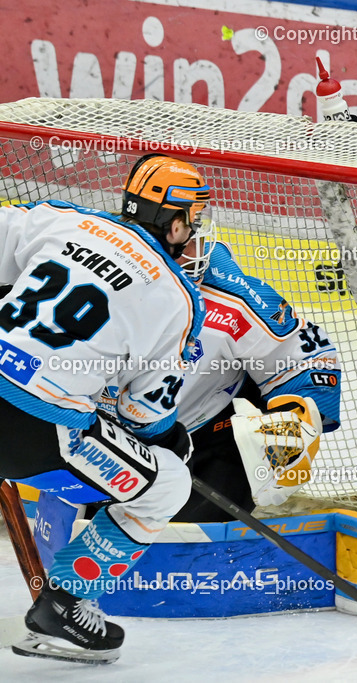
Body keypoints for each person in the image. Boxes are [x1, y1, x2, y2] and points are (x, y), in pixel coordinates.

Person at [0, 154, 206, 662]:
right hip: (35, 428)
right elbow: (143, 413)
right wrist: (167, 439)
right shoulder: (178, 299)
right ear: (176, 223)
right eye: (193, 220)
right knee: (167, 485)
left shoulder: (61, 219)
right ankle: (64, 605)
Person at [108, 218, 343, 522]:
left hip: (206, 440)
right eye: (188, 236)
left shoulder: (229, 293)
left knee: (180, 534)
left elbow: (306, 358)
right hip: (107, 438)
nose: (198, 248)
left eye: (196, 235)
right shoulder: (99, 283)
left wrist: (292, 421)